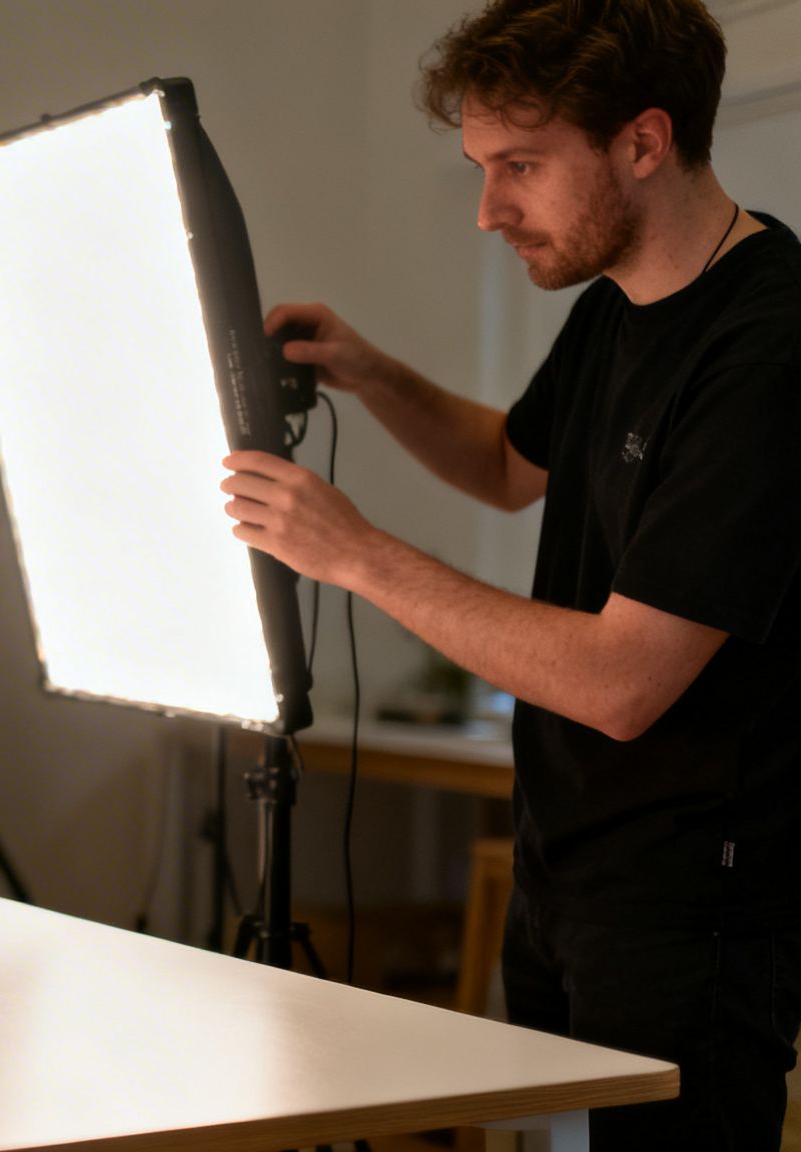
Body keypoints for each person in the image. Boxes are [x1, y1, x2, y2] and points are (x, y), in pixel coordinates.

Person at [221, 1, 801, 1146]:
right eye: (483, 168)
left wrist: (354, 554)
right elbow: (504, 464)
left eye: (520, 167)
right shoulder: (611, 308)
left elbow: (620, 684)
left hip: (692, 906)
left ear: (643, 141)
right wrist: (367, 371)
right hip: (562, 863)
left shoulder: (767, 349)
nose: (489, 211)